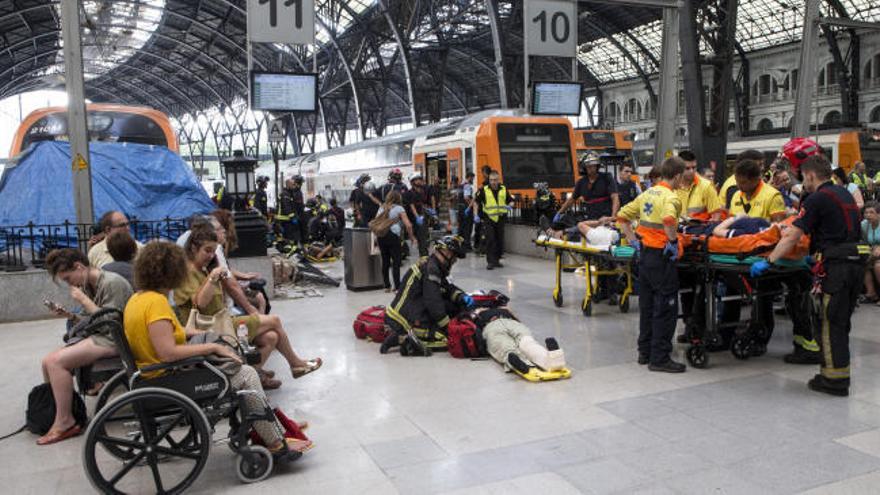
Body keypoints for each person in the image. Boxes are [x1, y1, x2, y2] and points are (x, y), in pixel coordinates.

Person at [124, 241, 312, 454]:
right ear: (171, 271)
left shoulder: (137, 299)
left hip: (155, 376)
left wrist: (208, 337)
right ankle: (275, 440)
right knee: (246, 375)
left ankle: (271, 427)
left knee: (235, 362)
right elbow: (168, 353)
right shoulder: (155, 303)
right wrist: (211, 348)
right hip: (169, 379)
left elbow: (167, 334)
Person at [751, 154, 865, 396]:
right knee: (841, 322)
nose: (804, 182)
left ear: (811, 175)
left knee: (830, 321)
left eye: (804, 177)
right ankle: (835, 374)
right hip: (856, 264)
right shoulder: (843, 193)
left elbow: (792, 235)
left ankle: (834, 382)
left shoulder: (816, 199)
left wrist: (770, 260)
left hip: (838, 267)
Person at [175, 224, 322, 389]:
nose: (210, 255)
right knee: (274, 320)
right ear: (194, 248)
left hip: (222, 323)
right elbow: (200, 303)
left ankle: (249, 376)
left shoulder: (202, 269)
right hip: (209, 331)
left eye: (213, 251)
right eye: (207, 251)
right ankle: (295, 364)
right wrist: (212, 277)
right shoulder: (186, 272)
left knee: (271, 337)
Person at [38, 248, 133, 445]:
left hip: (117, 340)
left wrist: (83, 300)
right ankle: (60, 413)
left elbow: (110, 322)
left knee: (56, 363)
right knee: (47, 362)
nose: (68, 283)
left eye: (67, 278)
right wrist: (71, 316)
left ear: (79, 267)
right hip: (103, 336)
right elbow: (93, 320)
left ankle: (66, 421)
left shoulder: (111, 283)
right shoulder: (90, 284)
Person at [617, 156, 687, 373]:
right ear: (676, 176)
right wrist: (674, 242)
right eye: (682, 177)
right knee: (665, 307)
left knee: (647, 306)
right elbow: (668, 220)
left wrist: (633, 240)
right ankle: (660, 358)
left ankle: (644, 352)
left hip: (645, 257)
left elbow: (621, 216)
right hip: (662, 258)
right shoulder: (671, 197)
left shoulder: (648, 192)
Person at [380, 235, 473, 355]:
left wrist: (461, 296)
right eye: (454, 257)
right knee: (448, 341)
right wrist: (448, 327)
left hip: (410, 309)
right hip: (403, 320)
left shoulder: (433, 264)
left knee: (453, 306)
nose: (454, 261)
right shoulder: (431, 268)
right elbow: (433, 302)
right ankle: (402, 339)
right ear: (447, 253)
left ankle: (405, 336)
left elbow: (446, 287)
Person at [555, 152, 620, 297]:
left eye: (594, 166)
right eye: (589, 166)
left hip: (605, 220)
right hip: (590, 221)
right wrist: (559, 212)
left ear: (597, 166)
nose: (591, 169)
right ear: (585, 167)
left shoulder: (607, 178)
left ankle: (612, 292)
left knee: (608, 257)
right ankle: (600, 290)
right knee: (596, 258)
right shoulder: (582, 183)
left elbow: (615, 198)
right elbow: (572, 199)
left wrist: (613, 217)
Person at [472, 305, 566, 376]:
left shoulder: (502, 308)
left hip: (505, 323)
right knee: (515, 344)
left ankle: (552, 360)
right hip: (495, 325)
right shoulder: (479, 312)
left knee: (524, 342)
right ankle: (523, 362)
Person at [376, 191, 416, 292]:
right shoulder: (399, 208)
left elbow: (376, 222)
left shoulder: (381, 207)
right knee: (396, 262)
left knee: (385, 261)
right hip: (393, 236)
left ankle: (387, 286)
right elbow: (408, 225)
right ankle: (397, 287)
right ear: (398, 198)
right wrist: (412, 237)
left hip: (381, 236)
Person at [474, 171, 514, 270]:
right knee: (490, 239)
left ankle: (496, 260)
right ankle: (490, 262)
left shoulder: (504, 189)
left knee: (499, 240)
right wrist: (476, 215)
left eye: (495, 180)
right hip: (488, 218)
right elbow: (476, 202)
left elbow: (511, 201)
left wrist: (509, 206)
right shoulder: (484, 190)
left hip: (500, 218)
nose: (493, 182)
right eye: (491, 180)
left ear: (498, 180)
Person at [676, 150, 722, 222]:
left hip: (698, 231)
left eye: (694, 167)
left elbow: (716, 214)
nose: (691, 171)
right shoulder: (671, 186)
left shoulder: (706, 186)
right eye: (687, 168)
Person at [405, 173, 431, 256]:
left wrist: (429, 210)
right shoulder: (410, 193)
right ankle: (424, 256)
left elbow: (423, 203)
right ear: (413, 182)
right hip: (416, 218)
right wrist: (417, 217)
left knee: (426, 238)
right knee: (422, 239)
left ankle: (425, 254)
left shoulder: (423, 191)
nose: (419, 181)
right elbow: (412, 206)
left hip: (423, 216)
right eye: (417, 179)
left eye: (420, 179)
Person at [860, 201, 880, 304]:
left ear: (878, 214)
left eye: (871, 212)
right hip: (872, 252)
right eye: (866, 213)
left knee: (878, 266)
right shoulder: (864, 225)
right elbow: (863, 241)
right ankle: (871, 293)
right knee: (863, 263)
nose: (868, 215)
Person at [277, 176, 306, 245]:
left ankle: (293, 247)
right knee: (291, 236)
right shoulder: (286, 194)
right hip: (286, 219)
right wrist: (293, 217)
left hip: (290, 218)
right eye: (293, 184)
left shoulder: (291, 193)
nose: (294, 186)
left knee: (293, 236)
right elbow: (288, 207)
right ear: (288, 185)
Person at [457, 172, 476, 251]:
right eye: (472, 178)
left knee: (461, 228)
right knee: (468, 228)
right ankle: (466, 246)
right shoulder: (467, 185)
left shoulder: (460, 185)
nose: (473, 180)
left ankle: (460, 245)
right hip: (466, 209)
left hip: (460, 209)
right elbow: (466, 197)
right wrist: (471, 205)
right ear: (469, 177)